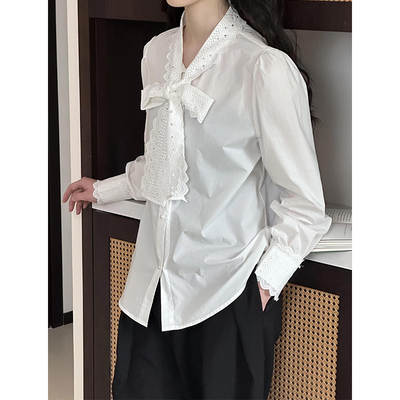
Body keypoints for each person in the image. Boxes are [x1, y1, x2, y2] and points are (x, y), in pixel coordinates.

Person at [63, 0, 332, 398]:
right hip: (151, 292)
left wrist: (262, 286)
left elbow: (305, 203)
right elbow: (162, 162)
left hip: (227, 295)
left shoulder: (263, 67)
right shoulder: (156, 53)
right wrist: (105, 189)